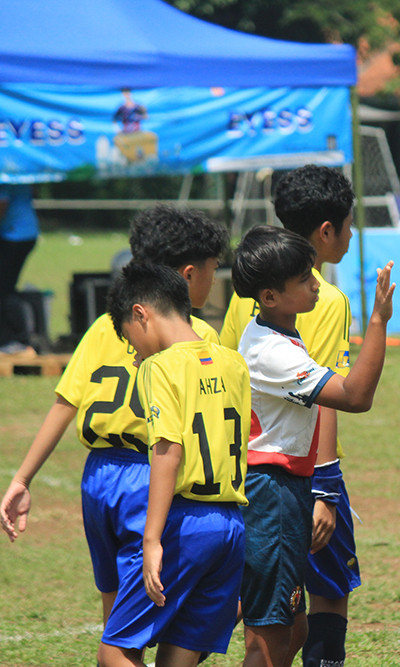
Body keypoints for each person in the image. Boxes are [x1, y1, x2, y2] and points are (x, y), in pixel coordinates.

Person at [0, 205, 227, 639]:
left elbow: (65, 405)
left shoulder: (106, 326)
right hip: (149, 477)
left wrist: (22, 479)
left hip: (98, 480)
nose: (214, 282)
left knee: (116, 609)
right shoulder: (200, 339)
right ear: (186, 274)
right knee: (149, 618)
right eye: (212, 271)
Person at [230, 225, 393, 667]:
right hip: (272, 494)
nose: (315, 284)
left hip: (287, 490)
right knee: (269, 642)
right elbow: (356, 396)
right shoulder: (272, 352)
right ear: (269, 296)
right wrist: (377, 321)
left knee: (293, 626)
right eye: (303, 279)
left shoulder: (276, 333)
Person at [219, 164, 359, 667]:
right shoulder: (326, 297)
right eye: (349, 224)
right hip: (292, 475)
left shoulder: (251, 289)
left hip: (246, 467)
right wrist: (325, 489)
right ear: (327, 231)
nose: (350, 234)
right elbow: (327, 394)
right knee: (326, 592)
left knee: (277, 614)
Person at [98, 261, 250, 667]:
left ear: (139, 314)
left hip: (187, 525)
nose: (133, 349)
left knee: (114, 650)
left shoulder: (158, 367)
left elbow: (168, 450)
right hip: (231, 526)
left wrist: (151, 539)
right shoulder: (233, 362)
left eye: (129, 338)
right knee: (179, 655)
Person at [0, 183, 40, 355]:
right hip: (23, 232)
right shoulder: (17, 163)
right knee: (5, 287)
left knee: (4, 289)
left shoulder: (4, 169)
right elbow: (33, 190)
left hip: (15, 235)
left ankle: (18, 342)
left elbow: (2, 205)